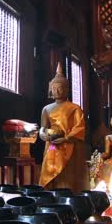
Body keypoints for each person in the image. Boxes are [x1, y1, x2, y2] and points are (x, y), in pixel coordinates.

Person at [38, 63, 88, 192]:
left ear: (67, 89)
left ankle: (68, 200)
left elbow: (80, 127)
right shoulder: (46, 109)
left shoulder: (74, 108)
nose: (57, 91)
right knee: (50, 171)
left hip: (69, 145)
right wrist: (42, 134)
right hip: (52, 144)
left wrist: (66, 138)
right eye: (54, 88)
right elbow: (43, 127)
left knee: (68, 177)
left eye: (60, 88)